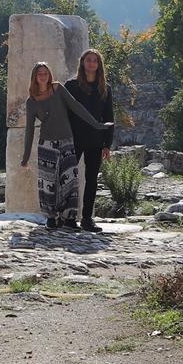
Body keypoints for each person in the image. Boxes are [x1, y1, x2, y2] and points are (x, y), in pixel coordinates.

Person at [20, 61, 113, 231]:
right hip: (47, 144)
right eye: (39, 73)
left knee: (70, 181)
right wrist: (25, 158)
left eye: (45, 73)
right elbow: (29, 130)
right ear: (34, 77)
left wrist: (97, 125)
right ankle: (51, 218)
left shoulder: (58, 89)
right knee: (48, 182)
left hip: (67, 141)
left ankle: (69, 219)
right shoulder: (31, 101)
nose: (43, 76)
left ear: (49, 75)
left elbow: (76, 107)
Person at [65, 49, 115, 233]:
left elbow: (109, 117)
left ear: (99, 65)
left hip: (96, 139)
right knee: (68, 178)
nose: (92, 63)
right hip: (74, 138)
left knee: (91, 180)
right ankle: (68, 217)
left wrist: (107, 144)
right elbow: (64, 112)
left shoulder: (105, 89)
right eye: (88, 60)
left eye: (95, 61)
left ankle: (87, 219)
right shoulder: (71, 86)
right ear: (83, 62)